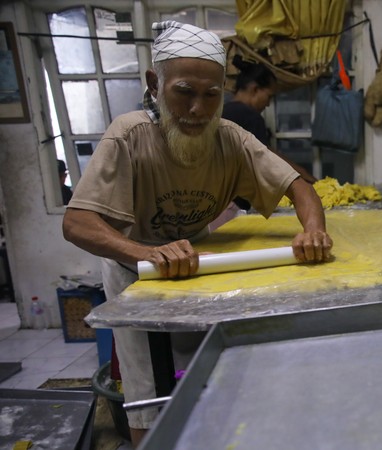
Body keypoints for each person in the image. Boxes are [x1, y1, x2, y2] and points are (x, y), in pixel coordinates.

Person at [62, 21, 333, 448]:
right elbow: (76, 223)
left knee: (209, 376)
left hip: (198, 265)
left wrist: (313, 231)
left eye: (211, 95)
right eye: (184, 92)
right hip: (136, 274)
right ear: (155, 84)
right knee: (148, 392)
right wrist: (145, 253)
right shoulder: (129, 136)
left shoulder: (230, 138)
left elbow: (298, 186)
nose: (198, 109)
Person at [223, 55, 317, 185]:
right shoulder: (250, 116)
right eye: (269, 96)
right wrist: (301, 175)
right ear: (255, 89)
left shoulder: (224, 111)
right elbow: (266, 157)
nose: (268, 104)